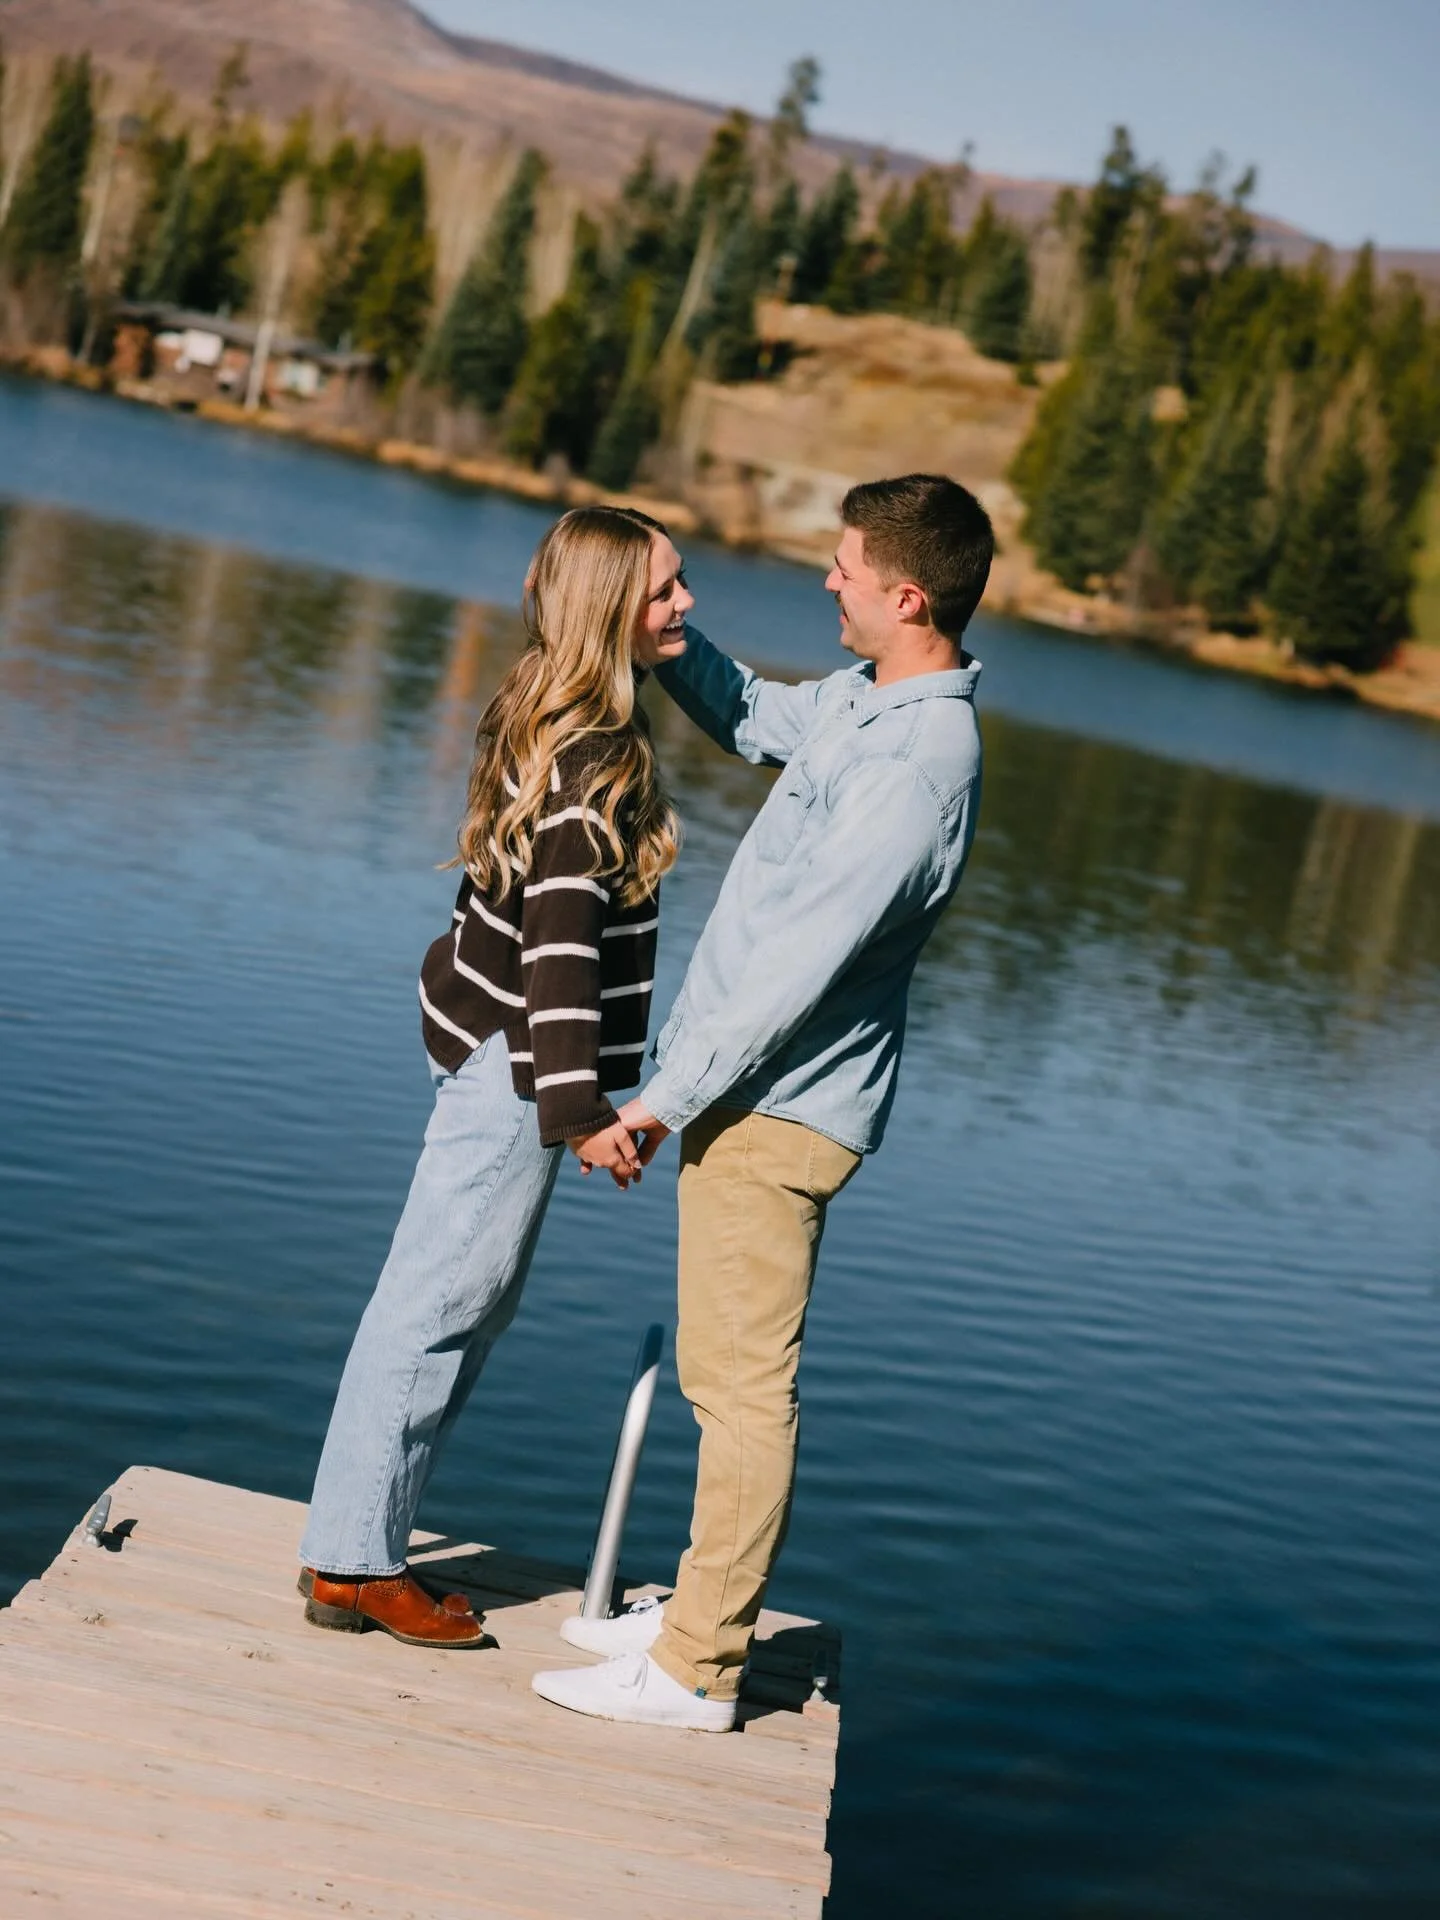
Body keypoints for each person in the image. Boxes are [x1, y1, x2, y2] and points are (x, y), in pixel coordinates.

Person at [531, 473, 992, 1728]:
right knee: (722, 1382)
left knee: (739, 1396)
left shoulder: (919, 763)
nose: (826, 581)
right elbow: (753, 716)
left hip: (779, 1108)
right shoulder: (867, 703)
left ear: (907, 594)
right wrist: (668, 639)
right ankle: (685, 1627)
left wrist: (656, 1102)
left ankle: (698, 1670)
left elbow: (796, 963)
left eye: (844, 567)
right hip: (751, 1093)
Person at [298, 505, 693, 1647]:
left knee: (452, 1301)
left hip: (495, 1051)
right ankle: (354, 1564)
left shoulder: (547, 701)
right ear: (613, 608)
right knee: (437, 1308)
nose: (687, 607)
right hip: (523, 1070)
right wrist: (580, 1110)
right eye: (666, 591)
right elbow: (561, 944)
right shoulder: (598, 755)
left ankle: (358, 1542)